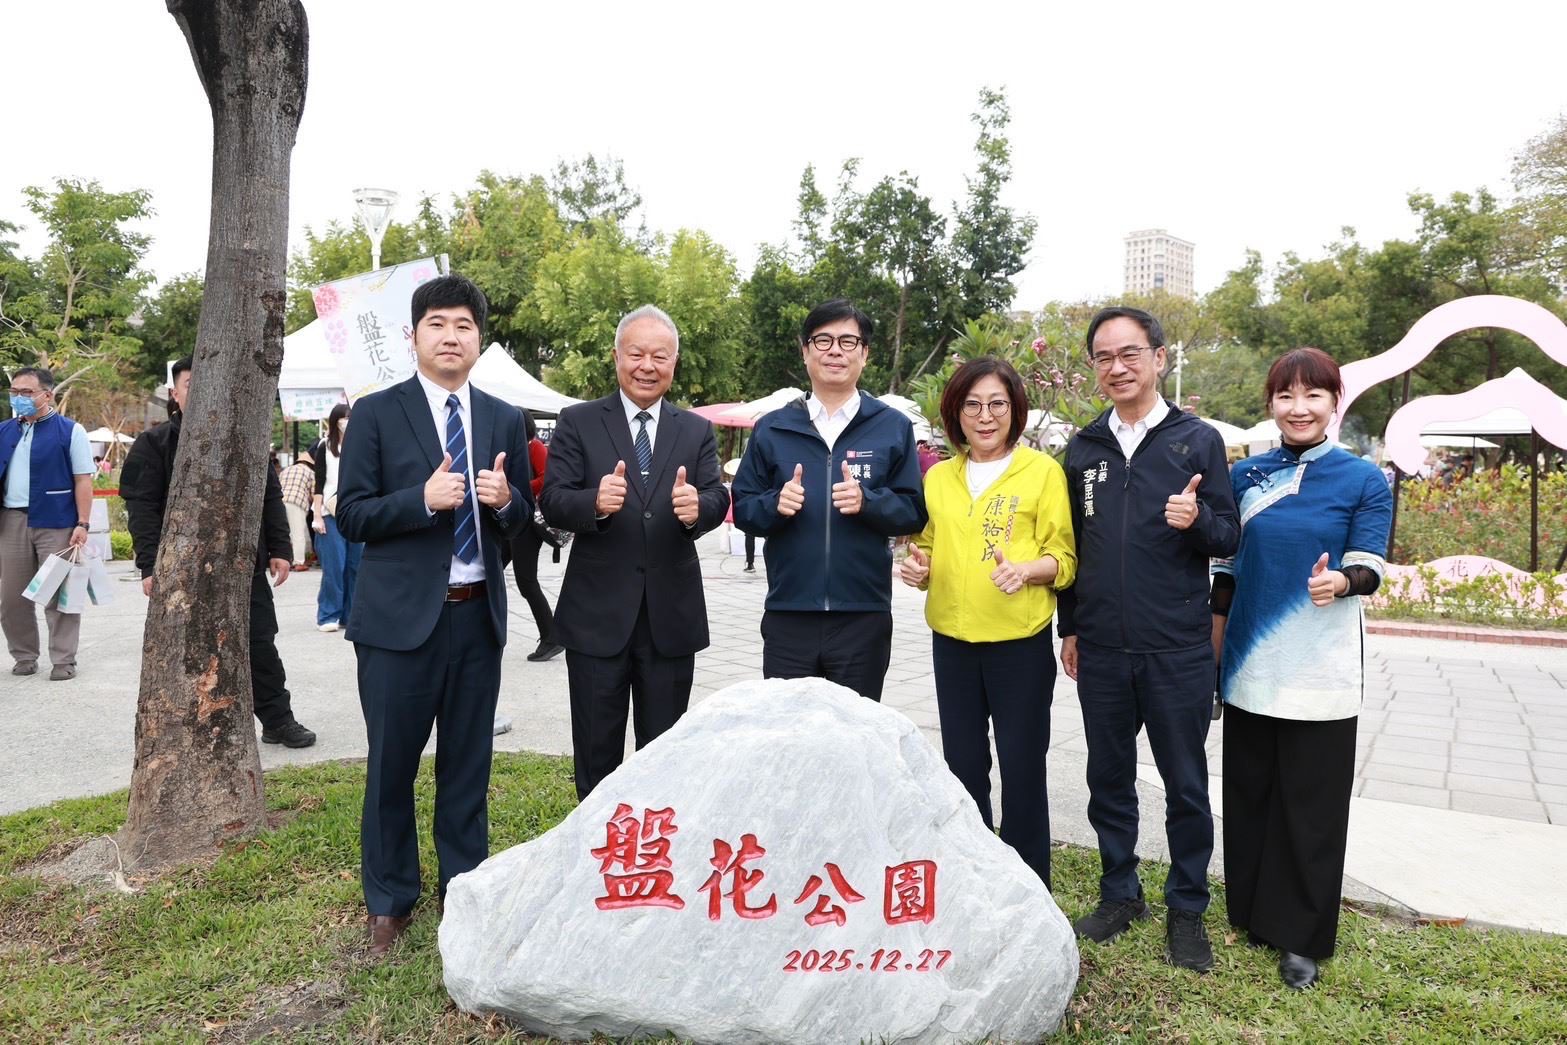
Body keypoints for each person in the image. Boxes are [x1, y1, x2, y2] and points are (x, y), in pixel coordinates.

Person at [334, 274, 532, 958]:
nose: (451, 337)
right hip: (397, 626)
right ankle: (389, 901)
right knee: (391, 766)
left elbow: (524, 519)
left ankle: (463, 889)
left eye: (464, 326)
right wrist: (420, 499)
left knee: (468, 766)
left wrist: (507, 501)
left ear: (480, 338)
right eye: (437, 324)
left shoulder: (504, 417)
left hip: (478, 617)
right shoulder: (376, 412)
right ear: (412, 335)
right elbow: (351, 514)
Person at [1057, 306, 1239, 973]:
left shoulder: (1197, 440)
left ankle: (1186, 907)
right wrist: (1070, 626)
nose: (1117, 367)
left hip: (1176, 648)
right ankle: (1119, 893)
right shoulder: (1083, 450)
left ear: (1158, 358)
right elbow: (1072, 546)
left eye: (1129, 353)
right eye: (1103, 357)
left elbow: (1229, 534)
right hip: (1102, 647)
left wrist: (1196, 520)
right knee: (1107, 778)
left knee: (1185, 784)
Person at [1212, 348, 1393, 990]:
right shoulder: (1244, 475)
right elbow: (1224, 575)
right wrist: (1214, 656)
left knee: (1311, 807)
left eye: (1313, 395)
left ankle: (1301, 937)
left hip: (1322, 670)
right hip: (1249, 664)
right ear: (1271, 403)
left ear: (1334, 403)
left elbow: (1370, 566)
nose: (1298, 408)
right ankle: (1251, 912)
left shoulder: (1363, 479)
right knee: (1250, 794)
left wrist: (1340, 582)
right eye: (1286, 395)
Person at [898, 356, 1076, 888]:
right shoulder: (939, 477)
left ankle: (1027, 887)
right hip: (952, 642)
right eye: (972, 404)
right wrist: (920, 568)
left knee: (1022, 768)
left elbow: (1064, 558)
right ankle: (970, 881)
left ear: (1015, 409)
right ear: (955, 412)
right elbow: (927, 545)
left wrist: (1027, 570)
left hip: (1018, 645)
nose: (985, 416)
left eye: (997, 403)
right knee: (962, 767)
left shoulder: (1042, 473)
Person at [540, 304, 730, 801]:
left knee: (665, 756)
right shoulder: (578, 421)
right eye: (637, 354)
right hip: (596, 617)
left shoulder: (694, 430)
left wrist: (698, 509)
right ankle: (597, 842)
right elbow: (552, 499)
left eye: (660, 356)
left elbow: (716, 496)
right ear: (617, 357)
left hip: (671, 618)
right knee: (595, 753)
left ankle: (657, 846)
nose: (647, 366)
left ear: (674, 363)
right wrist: (593, 502)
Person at [731, 299, 927, 701]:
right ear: (805, 351)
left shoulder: (892, 427)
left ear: (864, 354)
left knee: (855, 731)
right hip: (789, 613)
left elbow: (912, 510)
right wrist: (775, 504)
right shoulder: (772, 428)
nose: (835, 351)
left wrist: (868, 502)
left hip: (863, 615)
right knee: (787, 728)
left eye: (848, 341)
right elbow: (744, 507)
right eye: (823, 340)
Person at [120, 357, 317, 748]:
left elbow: (269, 496)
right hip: (182, 571)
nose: (200, 389)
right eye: (191, 383)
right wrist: (149, 565)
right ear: (175, 394)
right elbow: (142, 509)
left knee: (259, 644)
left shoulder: (246, 437)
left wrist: (280, 547)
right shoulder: (153, 444)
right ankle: (197, 731)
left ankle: (278, 720)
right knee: (189, 653)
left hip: (242, 565)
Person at [0, 367, 94, 681]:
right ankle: (24, 655)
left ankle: (64, 660)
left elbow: (83, 480)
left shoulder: (70, 431)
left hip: (56, 522)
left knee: (58, 594)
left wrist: (83, 523)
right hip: (11, 520)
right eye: (14, 392)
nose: (19, 398)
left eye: (26, 392)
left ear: (47, 394)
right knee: (12, 597)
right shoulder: (4, 431)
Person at [511, 412, 563, 662]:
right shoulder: (518, 449)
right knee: (489, 573)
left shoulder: (535, 447)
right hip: (513, 520)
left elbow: (545, 478)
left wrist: (517, 488)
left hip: (530, 523)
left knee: (526, 581)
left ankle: (551, 636)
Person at [312, 402, 360, 632]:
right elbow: (319, 482)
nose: (346, 422)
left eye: (350, 417)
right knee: (334, 566)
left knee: (356, 566)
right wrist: (317, 516)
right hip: (329, 512)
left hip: (356, 511)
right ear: (335, 420)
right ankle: (328, 614)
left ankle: (351, 615)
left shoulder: (359, 444)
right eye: (343, 418)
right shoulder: (325, 446)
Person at [278, 449, 315, 571]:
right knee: (298, 533)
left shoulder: (286, 470)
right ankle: (299, 562)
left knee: (283, 534)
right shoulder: (310, 472)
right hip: (296, 502)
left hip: (280, 501)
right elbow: (314, 494)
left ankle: (284, 560)